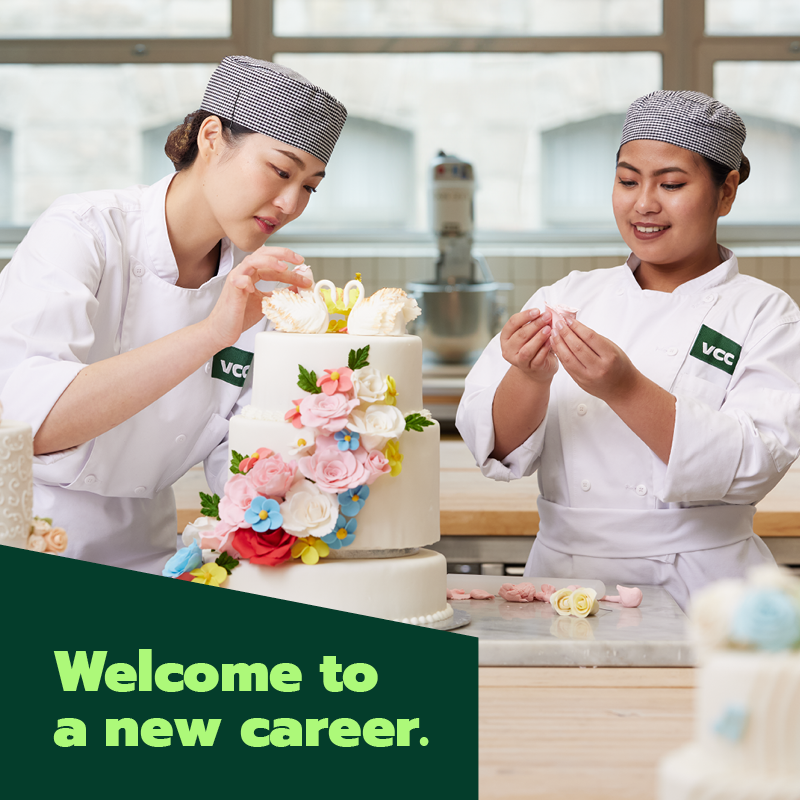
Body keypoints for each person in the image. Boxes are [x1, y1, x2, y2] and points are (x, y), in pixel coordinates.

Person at [0, 56, 347, 573]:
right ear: (211, 137)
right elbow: (33, 424)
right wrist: (212, 333)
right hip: (27, 537)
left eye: (310, 186)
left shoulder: (257, 292)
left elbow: (240, 465)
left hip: (152, 553)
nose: (291, 202)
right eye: (280, 170)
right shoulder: (85, 231)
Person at [456, 90, 800, 611]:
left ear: (726, 192)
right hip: (564, 579)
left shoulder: (765, 314)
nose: (644, 203)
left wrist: (625, 388)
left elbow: (755, 462)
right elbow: (496, 449)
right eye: (627, 181)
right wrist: (527, 377)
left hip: (707, 587)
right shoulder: (566, 297)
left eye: (672, 184)